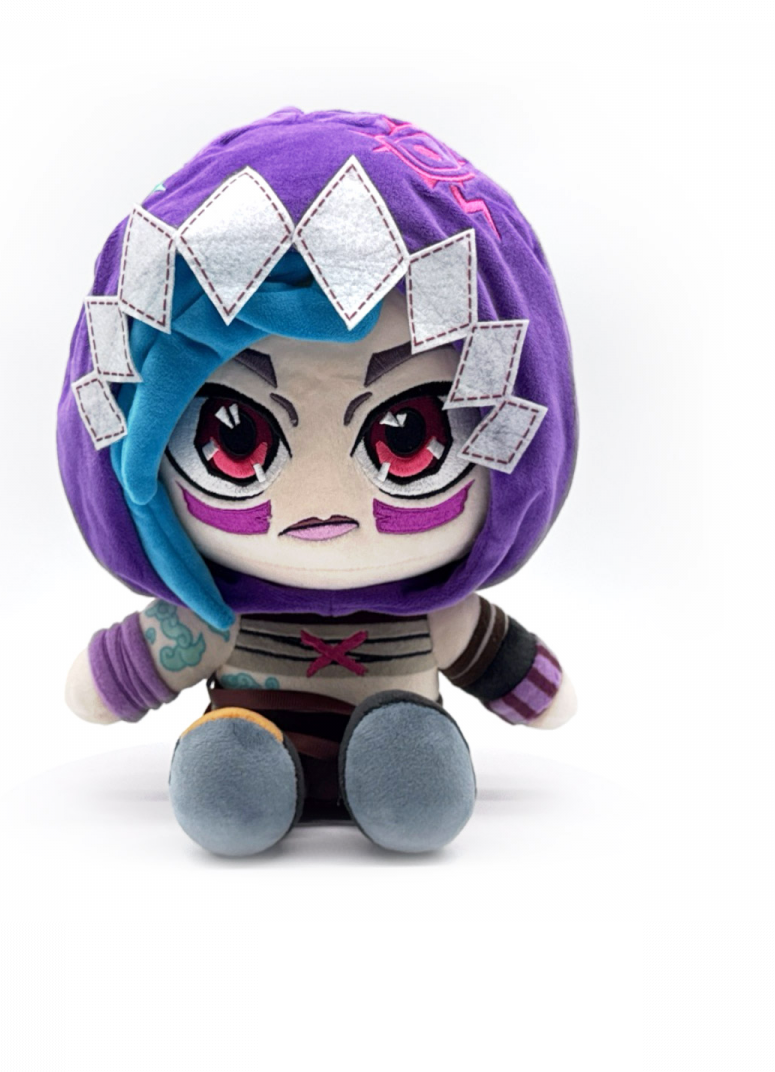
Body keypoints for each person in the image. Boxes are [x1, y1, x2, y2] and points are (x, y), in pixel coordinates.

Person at [58, 108, 579, 856]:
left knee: (410, 768)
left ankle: (405, 765)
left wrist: (527, 680)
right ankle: (241, 769)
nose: (326, 500)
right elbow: (115, 677)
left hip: (402, 727)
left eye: (408, 437)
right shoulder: (219, 619)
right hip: (250, 732)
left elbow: (517, 673)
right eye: (236, 441)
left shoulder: (436, 618)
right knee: (229, 778)